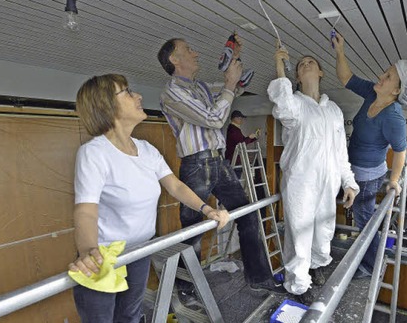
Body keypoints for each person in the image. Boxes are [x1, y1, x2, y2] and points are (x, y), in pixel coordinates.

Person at [68, 74, 229, 323]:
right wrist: (88, 251)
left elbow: (175, 186)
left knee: (131, 316)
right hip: (105, 255)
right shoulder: (94, 153)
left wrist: (207, 210)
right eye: (128, 92)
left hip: (140, 250)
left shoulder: (146, 150)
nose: (138, 96)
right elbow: (86, 210)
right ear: (106, 105)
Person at [157, 37, 283, 294]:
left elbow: (229, 94)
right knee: (193, 231)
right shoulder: (172, 92)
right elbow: (214, 118)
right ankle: (186, 291)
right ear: (174, 59)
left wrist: (233, 69)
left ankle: (259, 280)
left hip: (217, 160)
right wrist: (229, 84)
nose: (196, 52)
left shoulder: (200, 87)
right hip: (196, 163)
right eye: (188, 49)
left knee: (247, 215)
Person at [267, 44, 359, 302]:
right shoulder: (295, 104)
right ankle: (297, 285)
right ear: (296, 77)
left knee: (324, 229)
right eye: (300, 65)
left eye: (311, 62)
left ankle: (316, 265)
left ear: (320, 72)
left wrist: (348, 182)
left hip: (328, 181)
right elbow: (283, 106)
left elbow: (341, 151)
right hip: (301, 181)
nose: (305, 65)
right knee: (300, 233)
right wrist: (279, 67)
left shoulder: (334, 110)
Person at [332, 32, 407, 278]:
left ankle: (369, 267)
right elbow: (346, 78)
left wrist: (394, 181)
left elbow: (401, 152)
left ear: (397, 90)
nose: (381, 77)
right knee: (356, 213)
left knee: (365, 222)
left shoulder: (393, 117)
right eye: (384, 72)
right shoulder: (373, 93)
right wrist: (340, 51)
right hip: (351, 167)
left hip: (368, 176)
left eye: (388, 76)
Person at [225, 110, 259, 178]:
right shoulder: (233, 130)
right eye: (240, 118)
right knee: (235, 180)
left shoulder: (235, 129)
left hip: (236, 159)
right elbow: (240, 143)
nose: (242, 120)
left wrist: (254, 137)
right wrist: (249, 137)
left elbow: (243, 140)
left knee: (236, 179)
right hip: (234, 160)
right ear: (235, 118)